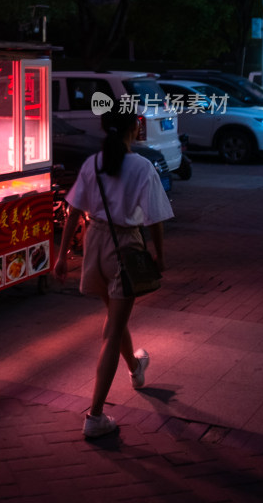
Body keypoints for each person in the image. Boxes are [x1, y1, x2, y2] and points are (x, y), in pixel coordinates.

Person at [53, 106, 174, 439]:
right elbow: (155, 218)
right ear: (134, 129)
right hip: (124, 247)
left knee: (114, 317)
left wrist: (62, 256)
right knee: (111, 330)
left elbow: (74, 209)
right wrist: (160, 256)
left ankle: (136, 367)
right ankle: (94, 416)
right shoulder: (142, 166)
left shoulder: (93, 163)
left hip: (95, 243)